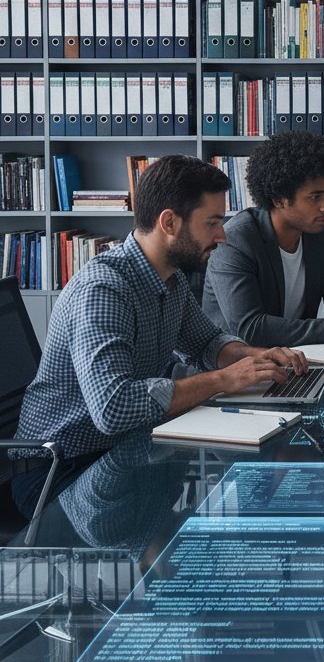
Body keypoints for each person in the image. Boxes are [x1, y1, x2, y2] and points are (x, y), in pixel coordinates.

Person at [12, 155, 306, 517]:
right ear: (169, 222)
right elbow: (113, 408)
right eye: (212, 222)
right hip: (60, 472)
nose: (222, 235)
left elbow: (206, 343)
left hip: (119, 457)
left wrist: (258, 357)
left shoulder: (170, 276)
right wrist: (224, 380)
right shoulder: (104, 290)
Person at [203, 131, 324, 346]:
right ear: (279, 199)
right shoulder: (235, 240)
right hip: (239, 369)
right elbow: (250, 328)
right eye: (315, 197)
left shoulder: (320, 233)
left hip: (294, 361)